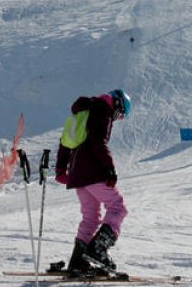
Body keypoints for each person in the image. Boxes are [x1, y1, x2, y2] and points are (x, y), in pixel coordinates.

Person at [54, 89, 132, 276]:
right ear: (118, 104)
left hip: (78, 174)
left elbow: (64, 142)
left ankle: (78, 262)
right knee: (118, 208)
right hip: (93, 172)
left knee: (91, 217)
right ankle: (98, 250)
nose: (117, 118)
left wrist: (60, 169)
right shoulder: (103, 110)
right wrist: (109, 169)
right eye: (120, 115)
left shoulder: (84, 111)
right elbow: (98, 142)